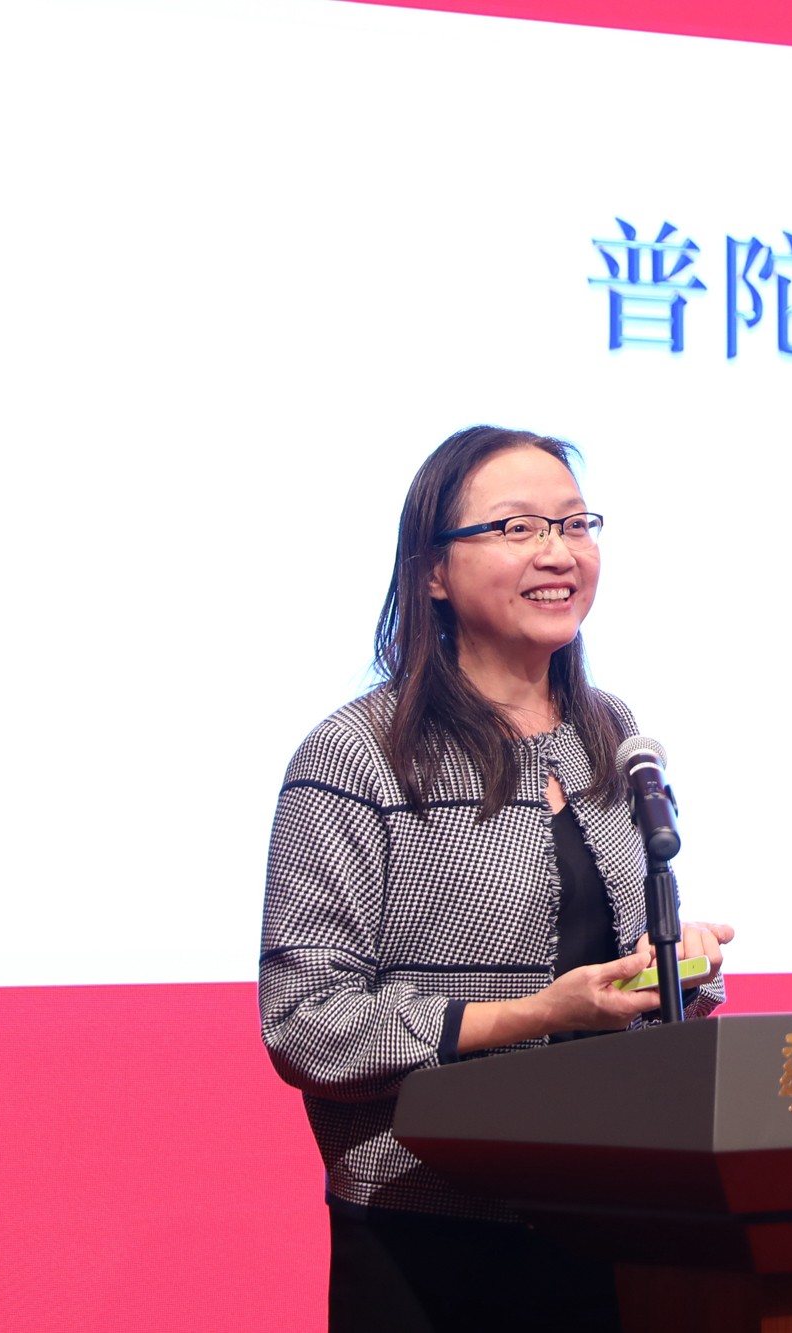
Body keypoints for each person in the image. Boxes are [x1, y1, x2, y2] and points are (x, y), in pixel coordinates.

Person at [259, 425, 730, 1331]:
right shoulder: (359, 754)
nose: (559, 553)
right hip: (429, 1237)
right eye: (518, 528)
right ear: (433, 569)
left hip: (611, 1214)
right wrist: (537, 1013)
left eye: (575, 524)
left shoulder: (610, 733)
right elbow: (307, 1024)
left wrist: (669, 973)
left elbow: (604, 992)